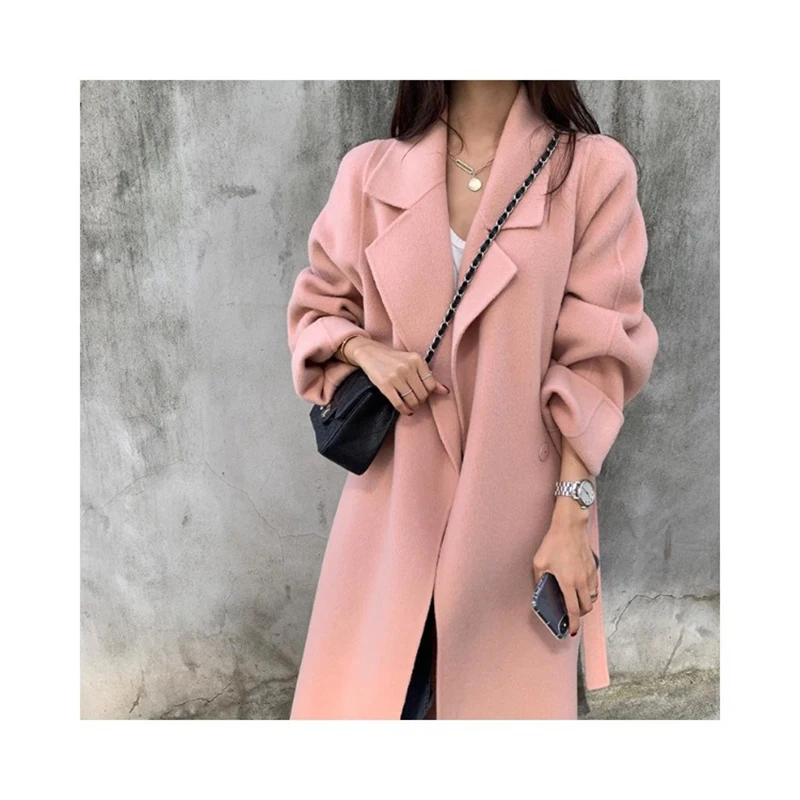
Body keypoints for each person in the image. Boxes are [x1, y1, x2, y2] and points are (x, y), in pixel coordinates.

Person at [286, 80, 659, 720]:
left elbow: (598, 360)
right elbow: (317, 310)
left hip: (518, 526)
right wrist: (364, 349)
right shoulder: (369, 173)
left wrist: (571, 518)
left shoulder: (592, 172)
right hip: (392, 516)